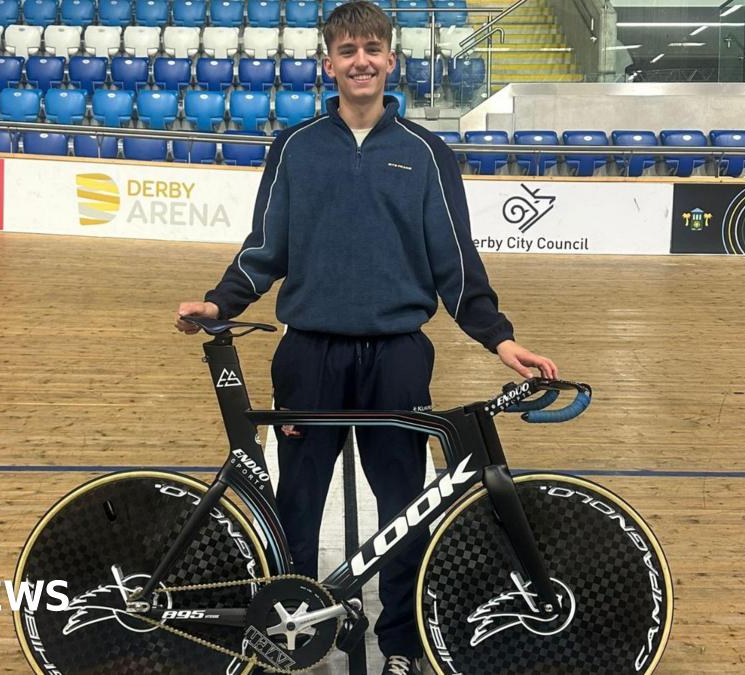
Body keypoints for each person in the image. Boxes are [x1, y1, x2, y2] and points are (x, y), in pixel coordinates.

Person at [176, 3, 558, 672]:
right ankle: (296, 636)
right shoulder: (294, 147)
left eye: (372, 49)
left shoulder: (426, 153)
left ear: (390, 59)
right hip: (308, 355)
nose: (361, 61)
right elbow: (265, 248)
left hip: (397, 358)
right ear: (328, 63)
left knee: (406, 511)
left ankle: (402, 645)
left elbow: (455, 264)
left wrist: (500, 339)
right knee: (295, 509)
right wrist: (220, 301)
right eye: (348, 50)